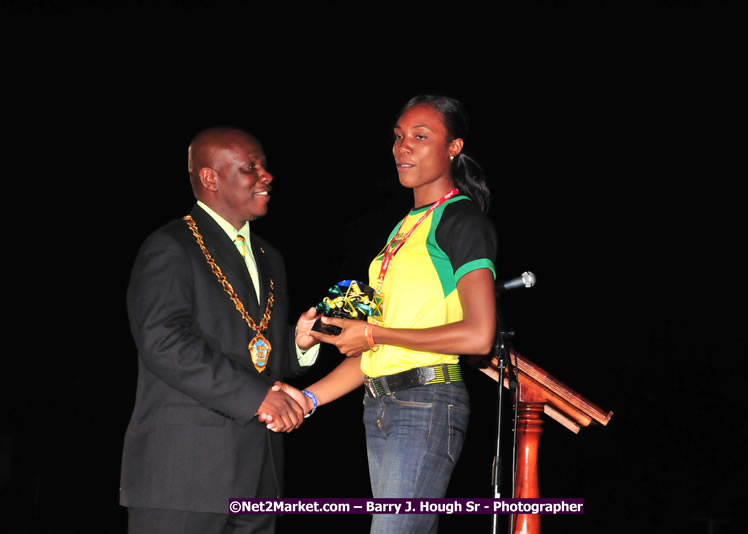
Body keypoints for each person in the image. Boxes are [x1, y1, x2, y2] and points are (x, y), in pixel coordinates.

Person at [271, 95, 498, 534]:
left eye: (420, 136)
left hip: (426, 402)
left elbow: (479, 335)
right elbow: (378, 350)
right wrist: (310, 398)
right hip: (381, 404)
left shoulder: (461, 221)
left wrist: (373, 333)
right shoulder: (402, 228)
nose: (403, 147)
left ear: (454, 147)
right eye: (397, 136)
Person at [120, 127, 321, 534]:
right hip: (184, 479)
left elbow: (255, 350)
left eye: (264, 165)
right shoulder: (170, 246)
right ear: (211, 178)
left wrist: (296, 345)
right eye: (251, 167)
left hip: (259, 477)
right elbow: (164, 342)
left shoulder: (270, 257)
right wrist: (256, 397)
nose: (267, 175)